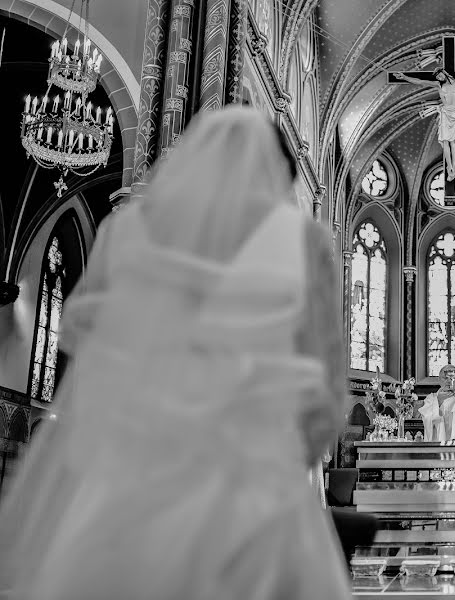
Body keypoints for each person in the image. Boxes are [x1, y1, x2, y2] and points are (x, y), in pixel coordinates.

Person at [0, 107, 351, 600]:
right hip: (256, 485)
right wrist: (283, 454)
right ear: (281, 176)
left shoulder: (131, 231)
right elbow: (326, 400)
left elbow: (86, 342)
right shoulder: (303, 240)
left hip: (128, 483)